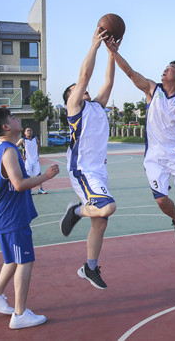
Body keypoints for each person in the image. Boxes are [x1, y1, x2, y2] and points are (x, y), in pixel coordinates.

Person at [105, 40, 175, 253]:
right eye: (166, 67)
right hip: (154, 157)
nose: (165, 70)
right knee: (162, 201)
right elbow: (130, 73)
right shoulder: (152, 89)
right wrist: (114, 52)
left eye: (170, 68)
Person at [0, 108, 59, 330]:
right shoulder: (8, 151)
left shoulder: (2, 147)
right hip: (10, 215)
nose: (17, 119)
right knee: (25, 260)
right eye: (13, 118)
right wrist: (45, 176)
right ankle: (20, 313)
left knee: (12, 259)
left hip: (4, 212)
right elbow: (18, 184)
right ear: (6, 127)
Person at [59, 28, 117, 290]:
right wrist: (94, 45)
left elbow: (108, 81)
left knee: (101, 222)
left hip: (99, 172)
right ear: (69, 99)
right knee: (107, 207)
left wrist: (112, 54)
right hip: (82, 171)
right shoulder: (74, 109)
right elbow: (84, 76)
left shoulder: (97, 106)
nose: (81, 89)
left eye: (81, 89)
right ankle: (76, 211)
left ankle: (89, 268)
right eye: (75, 90)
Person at [16, 127, 46, 195]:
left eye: (30, 130)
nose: (29, 132)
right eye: (27, 131)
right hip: (27, 161)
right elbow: (15, 147)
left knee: (38, 174)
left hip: (35, 160)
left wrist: (37, 153)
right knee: (28, 176)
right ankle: (29, 190)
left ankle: (40, 189)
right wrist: (21, 155)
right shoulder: (22, 140)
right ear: (25, 133)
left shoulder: (35, 138)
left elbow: (38, 144)